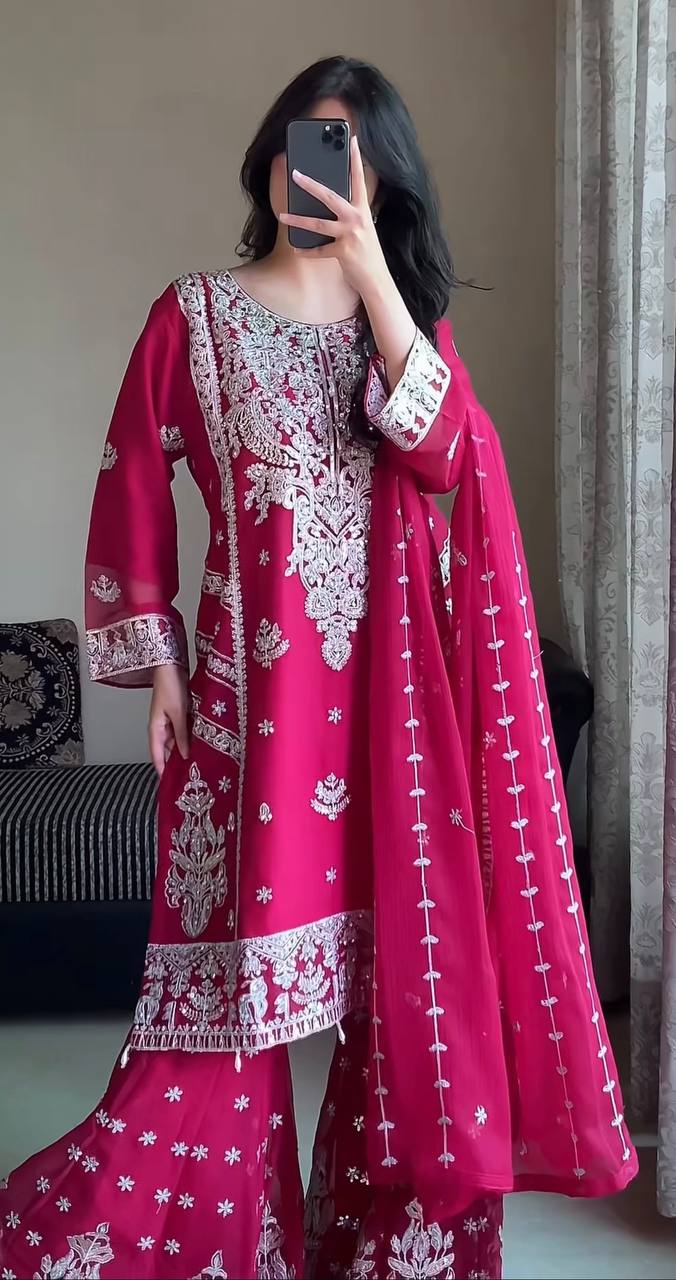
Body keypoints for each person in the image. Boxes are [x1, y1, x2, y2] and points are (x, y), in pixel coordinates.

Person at [0, 55, 637, 1280]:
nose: (323, 176)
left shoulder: (401, 331)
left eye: (351, 154)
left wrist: (374, 278)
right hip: (250, 716)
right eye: (306, 147)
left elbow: (444, 454)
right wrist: (160, 664)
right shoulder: (194, 314)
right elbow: (134, 479)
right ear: (270, 163)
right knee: (218, 992)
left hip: (396, 724)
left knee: (405, 993)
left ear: (384, 177)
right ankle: (206, 1235)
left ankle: (391, 1246)